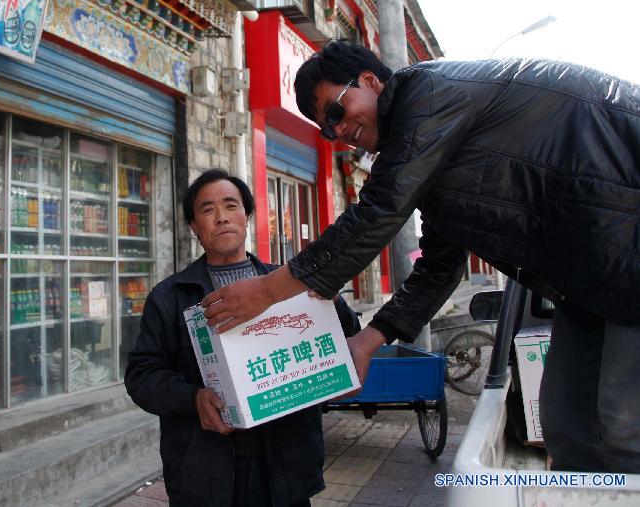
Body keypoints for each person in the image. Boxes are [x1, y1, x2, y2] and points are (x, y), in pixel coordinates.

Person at [201, 41, 640, 473]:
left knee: (621, 428)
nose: (337, 132)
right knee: (565, 426)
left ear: (371, 81)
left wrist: (269, 288)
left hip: (626, 253)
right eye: (326, 129)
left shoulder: (428, 93)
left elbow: (381, 209)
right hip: (589, 285)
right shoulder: (432, 164)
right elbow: (437, 268)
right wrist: (365, 343)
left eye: (336, 110)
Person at [125, 169, 354, 506]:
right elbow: (142, 376)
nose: (221, 218)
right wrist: (193, 397)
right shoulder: (170, 296)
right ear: (194, 227)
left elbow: (349, 340)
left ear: (246, 217)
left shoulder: (288, 284)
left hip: (287, 467)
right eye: (207, 210)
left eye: (231, 206)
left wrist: (330, 297)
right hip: (205, 475)